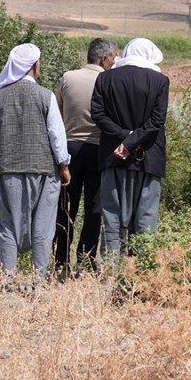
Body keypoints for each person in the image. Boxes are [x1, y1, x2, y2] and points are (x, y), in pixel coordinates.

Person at [0, 43, 71, 280]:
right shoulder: (46, 96)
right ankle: (38, 280)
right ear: (35, 66)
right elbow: (56, 135)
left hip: (7, 170)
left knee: (8, 224)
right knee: (43, 227)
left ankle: (7, 279)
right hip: (43, 170)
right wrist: (63, 165)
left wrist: (5, 149)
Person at [90, 38, 169, 257]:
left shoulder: (105, 78)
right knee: (145, 219)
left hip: (113, 157)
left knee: (113, 217)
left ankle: (110, 270)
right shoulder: (160, 81)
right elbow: (156, 122)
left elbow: (98, 115)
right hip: (149, 159)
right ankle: (142, 272)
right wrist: (132, 141)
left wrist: (124, 139)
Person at [54, 38, 118, 272]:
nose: (113, 62)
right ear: (103, 58)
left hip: (69, 149)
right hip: (98, 149)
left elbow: (58, 114)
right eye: (113, 58)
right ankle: (86, 258)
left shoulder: (68, 77)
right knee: (94, 207)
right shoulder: (108, 80)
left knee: (66, 206)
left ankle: (61, 260)